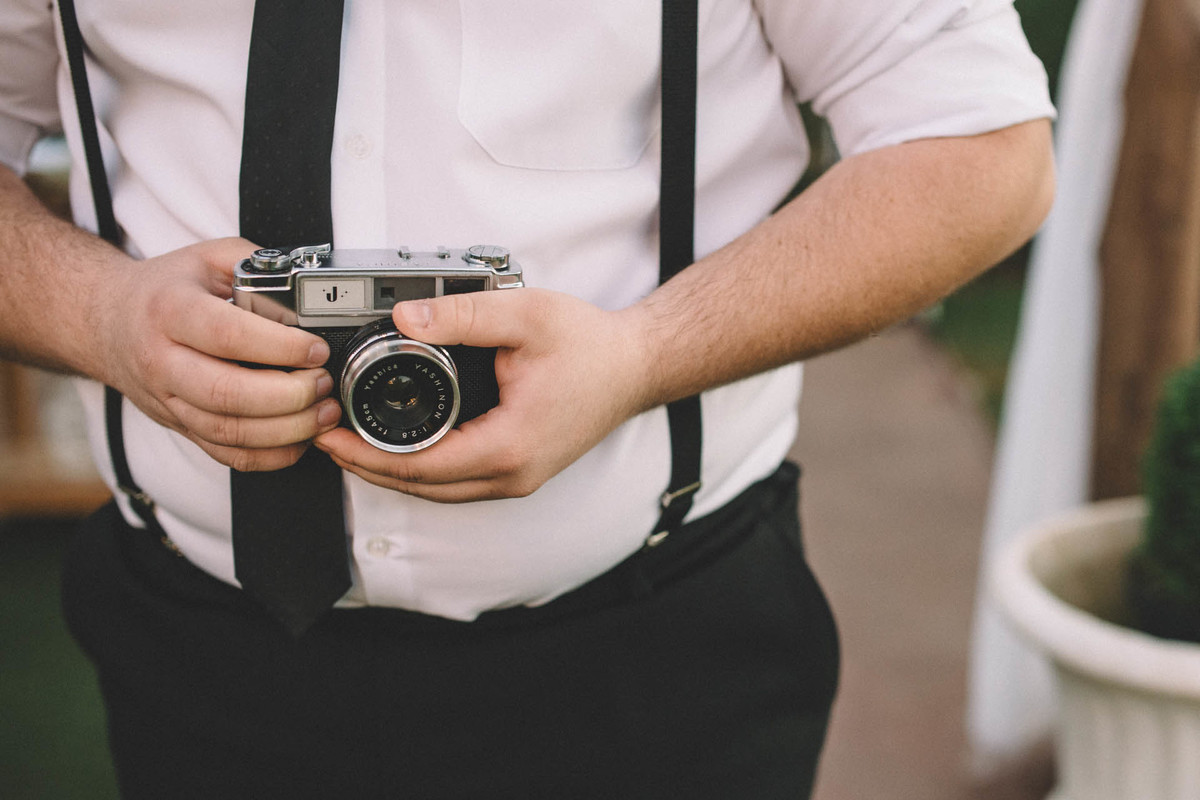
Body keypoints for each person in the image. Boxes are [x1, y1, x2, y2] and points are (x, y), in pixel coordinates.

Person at [0, 0, 1054, 797]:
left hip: (653, 665)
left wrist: (642, 356)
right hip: (196, 654)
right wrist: (101, 313)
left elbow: (983, 150)